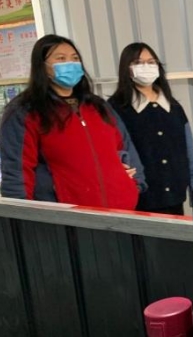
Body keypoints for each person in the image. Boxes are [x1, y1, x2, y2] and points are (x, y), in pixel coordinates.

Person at [0, 34, 145, 209]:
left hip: (119, 210)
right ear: (42, 66)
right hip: (67, 217)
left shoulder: (98, 106)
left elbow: (125, 147)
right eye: (61, 58)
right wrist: (22, 215)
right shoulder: (25, 111)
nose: (70, 63)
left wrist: (134, 185)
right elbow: (17, 170)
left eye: (75, 58)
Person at [109, 42, 193, 215]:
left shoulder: (174, 107)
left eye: (151, 62)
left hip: (175, 196)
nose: (146, 67)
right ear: (126, 68)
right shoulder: (116, 108)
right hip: (140, 198)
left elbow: (190, 154)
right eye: (138, 62)